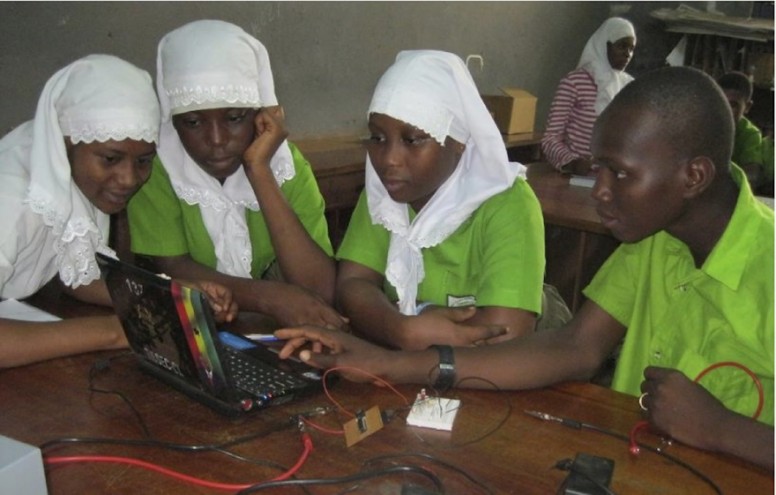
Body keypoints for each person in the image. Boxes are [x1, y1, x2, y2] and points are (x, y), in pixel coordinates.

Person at [276, 66, 774, 469]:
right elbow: (575, 346)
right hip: (636, 467)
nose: (600, 190)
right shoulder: (654, 238)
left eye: (619, 173)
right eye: (598, 168)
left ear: (694, 176)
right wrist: (390, 364)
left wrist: (726, 430)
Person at [0, 54, 237, 368]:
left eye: (143, 162)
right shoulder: (12, 197)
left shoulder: (71, 178)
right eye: (110, 159)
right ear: (68, 142)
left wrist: (170, 297)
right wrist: (116, 331)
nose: (128, 180)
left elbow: (78, 278)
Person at [127, 20, 344, 329]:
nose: (216, 139)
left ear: (260, 114)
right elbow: (174, 265)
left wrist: (259, 170)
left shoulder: (285, 166)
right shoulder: (158, 167)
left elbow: (319, 289)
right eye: (192, 122)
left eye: (234, 117)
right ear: (172, 120)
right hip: (193, 325)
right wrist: (270, 297)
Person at [335, 50, 549, 352]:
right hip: (408, 367)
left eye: (412, 140)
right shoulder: (386, 191)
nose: (389, 159)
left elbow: (505, 334)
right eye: (378, 138)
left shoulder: (508, 203)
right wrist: (402, 329)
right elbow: (352, 285)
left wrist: (397, 323)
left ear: (459, 141)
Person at [541, 17, 636, 175]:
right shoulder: (574, 82)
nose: (628, 54)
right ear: (605, 45)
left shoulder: (629, 86)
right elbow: (550, 138)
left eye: (632, 49)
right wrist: (573, 162)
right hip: (577, 175)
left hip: (614, 177)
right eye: (622, 46)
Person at [716, 71, 769, 192]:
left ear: (747, 107)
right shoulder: (702, 124)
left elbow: (752, 175)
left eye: (734, 105)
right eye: (722, 102)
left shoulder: (750, 134)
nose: (726, 109)